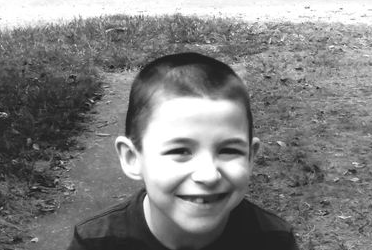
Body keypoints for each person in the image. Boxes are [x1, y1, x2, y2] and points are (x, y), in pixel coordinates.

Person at [67, 53, 299, 250]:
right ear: (132, 158)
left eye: (228, 150)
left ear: (250, 157)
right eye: (180, 151)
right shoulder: (97, 243)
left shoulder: (272, 240)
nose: (208, 175)